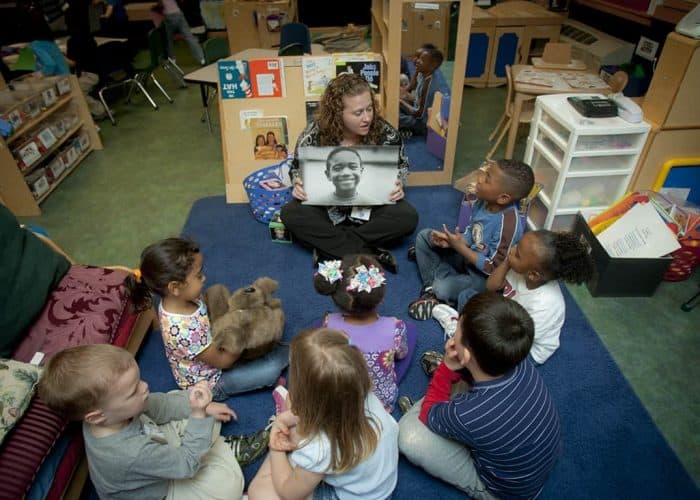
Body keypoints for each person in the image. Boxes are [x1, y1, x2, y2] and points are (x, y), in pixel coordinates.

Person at [398, 292, 561, 499]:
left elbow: (429, 413)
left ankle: (445, 390)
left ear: (464, 355)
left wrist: (446, 369)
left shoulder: (467, 414)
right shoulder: (517, 360)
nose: (454, 331)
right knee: (464, 398)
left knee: (409, 434)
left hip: (503, 491)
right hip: (534, 458)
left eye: (457, 327)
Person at [37, 343, 248, 499]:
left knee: (176, 401)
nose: (145, 386)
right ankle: (224, 450)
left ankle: (207, 442)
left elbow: (160, 405)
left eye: (139, 380)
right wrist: (199, 415)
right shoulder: (130, 453)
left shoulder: (109, 414)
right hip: (161, 491)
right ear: (97, 416)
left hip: (149, 447)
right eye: (133, 391)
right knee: (228, 487)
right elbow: (187, 465)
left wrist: (204, 408)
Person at [280, 73, 419, 273]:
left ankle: (330, 249)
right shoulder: (313, 135)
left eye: (370, 109)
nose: (367, 118)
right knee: (291, 213)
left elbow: (402, 165)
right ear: (338, 113)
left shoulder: (386, 133)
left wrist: (398, 182)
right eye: (358, 113)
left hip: (371, 208)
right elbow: (296, 167)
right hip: (327, 210)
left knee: (407, 217)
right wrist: (298, 184)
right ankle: (369, 254)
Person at [126, 237, 289, 405]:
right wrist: (245, 331)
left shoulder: (178, 299)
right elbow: (224, 362)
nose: (204, 278)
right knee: (271, 369)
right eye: (198, 276)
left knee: (218, 293)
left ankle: (277, 349)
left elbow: (204, 310)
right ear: (175, 287)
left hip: (207, 342)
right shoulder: (185, 332)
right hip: (212, 381)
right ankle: (287, 354)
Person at [247, 327, 400, 500]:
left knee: (258, 492)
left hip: (350, 494)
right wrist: (288, 418)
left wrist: (275, 446)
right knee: (292, 413)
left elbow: (288, 493)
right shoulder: (359, 392)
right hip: (375, 479)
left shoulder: (320, 450)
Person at [431, 230, 594, 365]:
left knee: (489, 361)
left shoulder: (546, 304)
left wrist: (483, 328)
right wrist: (509, 262)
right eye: (517, 245)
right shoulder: (520, 271)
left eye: (518, 254)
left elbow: (514, 340)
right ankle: (464, 334)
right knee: (467, 296)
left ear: (533, 274)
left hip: (524, 347)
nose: (512, 250)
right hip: (506, 316)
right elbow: (491, 287)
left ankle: (463, 341)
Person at [408, 159, 534, 320]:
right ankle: (434, 275)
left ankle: (432, 289)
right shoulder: (482, 201)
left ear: (503, 198)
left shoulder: (509, 224)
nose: (479, 178)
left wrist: (459, 247)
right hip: (467, 257)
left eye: (487, 178)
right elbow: (472, 232)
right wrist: (454, 241)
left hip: (482, 278)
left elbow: (492, 268)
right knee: (424, 236)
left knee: (442, 288)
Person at [313, 254, 408, 411]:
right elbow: (402, 354)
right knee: (406, 338)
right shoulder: (395, 327)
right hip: (381, 405)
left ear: (337, 300)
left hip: (342, 404)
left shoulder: (329, 323)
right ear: (381, 299)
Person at [309, 147, 384, 206]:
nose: (346, 173)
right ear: (328, 175)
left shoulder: (374, 204)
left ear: (361, 172)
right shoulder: (316, 204)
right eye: (338, 168)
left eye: (353, 167)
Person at [399, 47, 444, 136]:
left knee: (395, 115)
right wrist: (417, 70)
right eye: (419, 58)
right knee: (394, 103)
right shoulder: (425, 74)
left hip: (423, 122)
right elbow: (413, 86)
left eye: (422, 60)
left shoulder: (429, 85)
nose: (417, 61)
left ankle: (409, 128)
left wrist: (402, 102)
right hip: (417, 109)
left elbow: (419, 114)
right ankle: (405, 127)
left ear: (432, 66)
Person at [159, 0, 205, 65]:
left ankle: (172, 59)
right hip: (178, 13)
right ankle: (202, 58)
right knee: (189, 37)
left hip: (168, 15)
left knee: (168, 39)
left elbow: (161, 5)